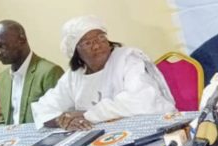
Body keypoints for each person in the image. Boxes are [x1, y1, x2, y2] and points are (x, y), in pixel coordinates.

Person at [31, 16, 176, 131]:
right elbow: (44, 108)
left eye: (101, 37)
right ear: (76, 51)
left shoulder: (127, 59)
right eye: (87, 43)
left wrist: (87, 115)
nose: (97, 45)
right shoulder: (74, 76)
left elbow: (141, 100)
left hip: (154, 128)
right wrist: (62, 120)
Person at [0, 20, 64, 125]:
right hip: (10, 135)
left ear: (22, 40)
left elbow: (61, 119)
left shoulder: (49, 72)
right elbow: (3, 120)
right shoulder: (3, 78)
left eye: (1, 46)